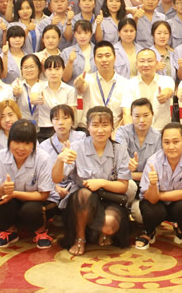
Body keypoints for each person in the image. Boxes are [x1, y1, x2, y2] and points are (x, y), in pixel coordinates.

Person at [53, 106, 131, 255]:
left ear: (112, 127)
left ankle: (101, 231)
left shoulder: (120, 150)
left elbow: (123, 186)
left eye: (105, 125)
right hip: (82, 202)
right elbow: (56, 178)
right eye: (95, 125)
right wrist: (60, 160)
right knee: (84, 194)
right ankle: (80, 237)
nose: (100, 130)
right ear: (88, 127)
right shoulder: (76, 147)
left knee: (109, 225)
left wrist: (101, 183)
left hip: (109, 198)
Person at [0, 119, 56, 248]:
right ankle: (9, 231)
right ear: (9, 141)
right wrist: (2, 189)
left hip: (36, 202)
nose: (21, 148)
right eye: (17, 142)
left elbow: (44, 195)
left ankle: (41, 231)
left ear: (34, 144)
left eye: (27, 143)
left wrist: (14, 194)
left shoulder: (43, 158)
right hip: (11, 202)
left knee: (31, 209)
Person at [135, 122, 182, 250]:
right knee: (152, 210)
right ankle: (149, 231)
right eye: (166, 142)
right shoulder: (153, 161)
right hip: (156, 203)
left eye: (176, 142)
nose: (171, 147)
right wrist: (153, 186)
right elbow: (151, 199)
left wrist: (160, 195)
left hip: (178, 201)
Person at [115, 98, 162, 222]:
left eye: (146, 115)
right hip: (126, 184)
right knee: (129, 186)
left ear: (152, 115)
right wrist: (135, 173)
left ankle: (132, 209)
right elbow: (119, 164)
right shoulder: (122, 132)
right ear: (131, 116)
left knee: (141, 216)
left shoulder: (159, 137)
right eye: (137, 116)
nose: (142, 120)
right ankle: (122, 210)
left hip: (147, 185)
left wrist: (131, 174)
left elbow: (157, 172)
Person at [74, 41, 130, 127]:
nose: (104, 60)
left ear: (115, 58)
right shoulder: (87, 79)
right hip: (90, 129)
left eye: (107, 56)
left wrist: (117, 131)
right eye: (99, 56)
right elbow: (81, 89)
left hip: (115, 129)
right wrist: (78, 86)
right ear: (94, 60)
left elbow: (126, 114)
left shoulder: (125, 83)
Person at [122, 48, 176, 130]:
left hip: (161, 131)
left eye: (150, 61)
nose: (146, 65)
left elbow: (169, 90)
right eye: (142, 61)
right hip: (138, 132)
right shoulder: (129, 84)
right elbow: (126, 112)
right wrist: (129, 133)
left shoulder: (166, 80)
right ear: (136, 64)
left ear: (156, 63)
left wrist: (164, 95)